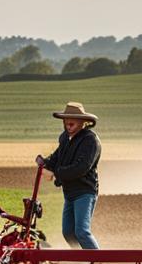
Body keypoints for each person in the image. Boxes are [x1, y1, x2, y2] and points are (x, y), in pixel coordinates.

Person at [36, 101, 101, 250]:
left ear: (83, 122)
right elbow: (57, 157)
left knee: (81, 232)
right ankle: (81, 259)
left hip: (85, 192)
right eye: (66, 121)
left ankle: (99, 263)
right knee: (68, 232)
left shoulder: (90, 141)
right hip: (70, 193)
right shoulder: (65, 138)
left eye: (73, 121)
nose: (68, 124)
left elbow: (81, 168)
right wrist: (45, 163)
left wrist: (55, 174)